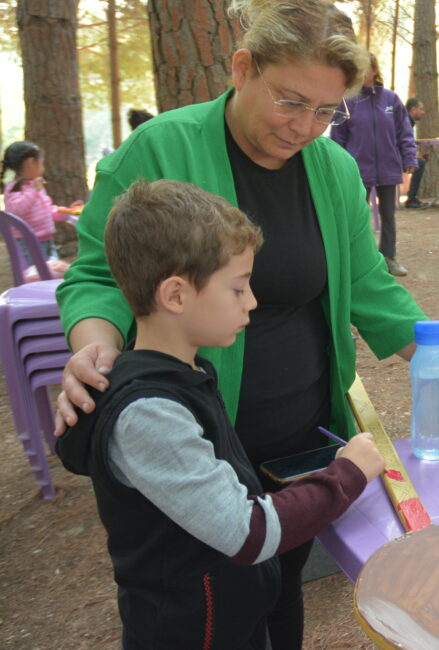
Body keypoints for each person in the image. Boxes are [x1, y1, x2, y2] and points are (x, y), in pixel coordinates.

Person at [54, 1, 439, 647]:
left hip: (300, 435)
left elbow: (368, 285)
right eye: (291, 102)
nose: (305, 127)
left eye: (327, 112)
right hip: (200, 436)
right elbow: (98, 274)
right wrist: (95, 347)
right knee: (208, 597)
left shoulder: (334, 169)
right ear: (243, 68)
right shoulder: (162, 147)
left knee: (277, 587)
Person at [56, 178, 386, 649]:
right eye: (238, 288)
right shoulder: (150, 413)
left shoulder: (186, 373)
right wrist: (346, 474)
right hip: (194, 631)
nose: (251, 302)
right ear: (175, 296)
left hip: (227, 614)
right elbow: (248, 532)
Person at [331, 52, 418, 277]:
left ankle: (389, 258)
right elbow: (337, 138)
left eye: (365, 68)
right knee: (357, 215)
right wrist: (338, 166)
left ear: (375, 71)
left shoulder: (391, 100)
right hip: (357, 171)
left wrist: (409, 157)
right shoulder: (347, 101)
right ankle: (358, 260)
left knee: (389, 215)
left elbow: (404, 132)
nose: (362, 73)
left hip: (388, 167)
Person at [1, 140, 83, 263]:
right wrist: (34, 191)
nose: (43, 168)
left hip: (47, 240)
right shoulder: (13, 188)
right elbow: (17, 210)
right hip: (28, 243)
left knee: (49, 272)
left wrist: (66, 211)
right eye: (41, 163)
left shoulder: (35, 186)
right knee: (36, 274)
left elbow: (47, 209)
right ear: (30, 163)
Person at [404, 96, 428, 209]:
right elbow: (402, 140)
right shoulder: (405, 121)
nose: (423, 112)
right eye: (421, 109)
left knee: (419, 161)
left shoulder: (407, 120)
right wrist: (412, 155)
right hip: (393, 158)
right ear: (413, 109)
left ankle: (413, 197)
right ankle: (411, 199)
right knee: (419, 163)